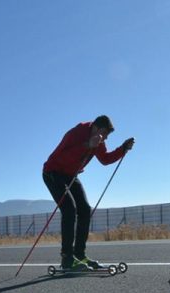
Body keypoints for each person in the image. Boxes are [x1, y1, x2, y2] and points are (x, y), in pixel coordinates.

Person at [43, 115, 134, 271]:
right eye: (104, 133)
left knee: (85, 209)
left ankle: (79, 254)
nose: (104, 138)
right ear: (96, 128)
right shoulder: (77, 132)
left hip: (70, 174)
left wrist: (123, 149)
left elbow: (105, 159)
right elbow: (60, 156)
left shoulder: (99, 141)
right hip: (53, 172)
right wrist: (87, 145)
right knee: (69, 209)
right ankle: (67, 258)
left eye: (107, 136)